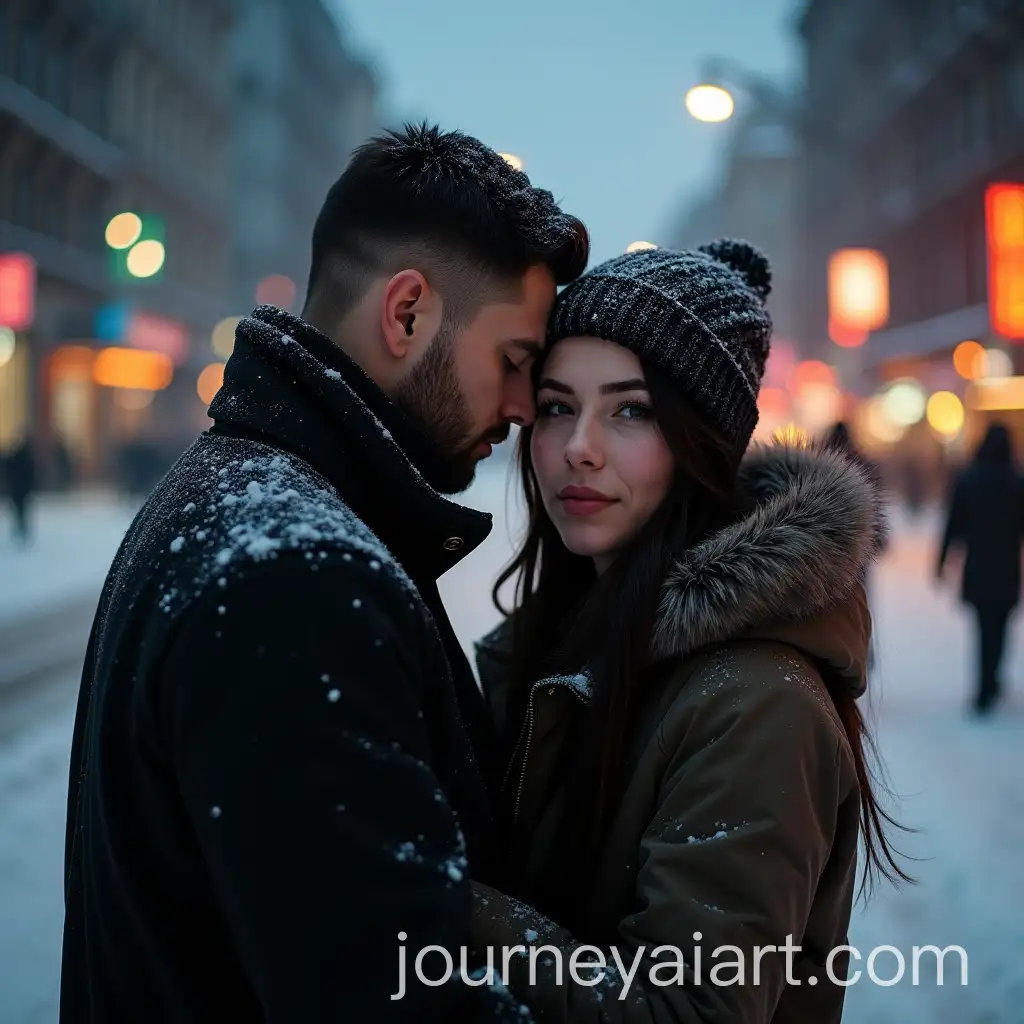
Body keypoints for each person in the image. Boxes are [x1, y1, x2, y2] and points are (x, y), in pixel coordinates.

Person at [60, 123, 588, 1023]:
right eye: (514, 361)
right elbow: (393, 998)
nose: (520, 407)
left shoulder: (240, 495)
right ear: (408, 312)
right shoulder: (294, 579)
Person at [470, 241, 908, 1022]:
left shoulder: (758, 703)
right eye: (558, 406)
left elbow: (687, 1010)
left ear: (701, 441)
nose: (579, 447)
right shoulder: (566, 641)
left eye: (631, 410)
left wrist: (437, 902)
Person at [937, 422, 1024, 715]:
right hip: (1007, 569)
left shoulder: (969, 480)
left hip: (978, 568)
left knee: (983, 628)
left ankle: (984, 687)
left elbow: (953, 525)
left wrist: (942, 561)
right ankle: (993, 680)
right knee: (1001, 626)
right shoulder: (1017, 482)